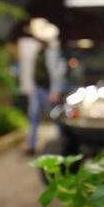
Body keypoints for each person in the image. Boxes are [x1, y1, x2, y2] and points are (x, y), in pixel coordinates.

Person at [17, 17, 65, 155]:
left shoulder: (52, 48)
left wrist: (55, 91)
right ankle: (31, 145)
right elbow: (27, 69)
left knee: (55, 117)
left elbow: (57, 71)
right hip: (36, 89)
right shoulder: (31, 47)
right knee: (33, 117)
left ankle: (63, 141)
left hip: (47, 89)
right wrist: (27, 87)